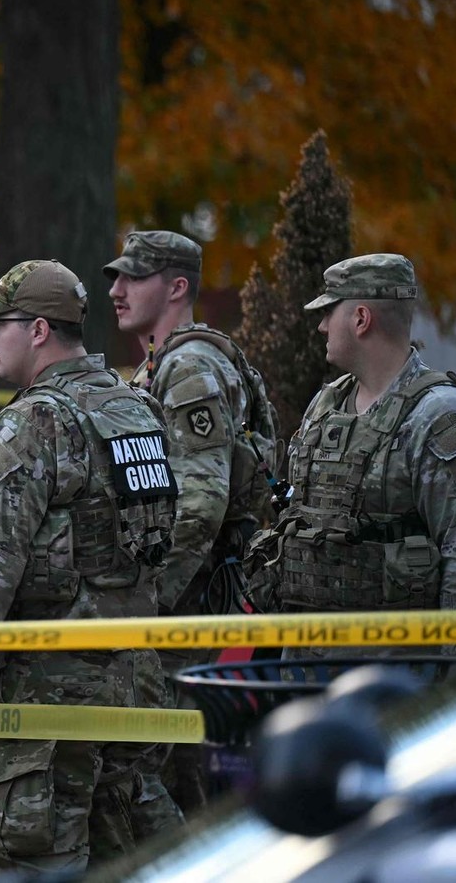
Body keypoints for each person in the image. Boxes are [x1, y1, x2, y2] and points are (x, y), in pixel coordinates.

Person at [0, 259, 177, 877]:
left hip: (44, 699)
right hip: (132, 684)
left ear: (36, 330)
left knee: (31, 866)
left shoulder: (34, 422)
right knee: (128, 861)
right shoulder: (136, 408)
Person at [248, 253, 456, 655]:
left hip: (396, 674)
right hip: (306, 663)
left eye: (328, 312)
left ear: (361, 319)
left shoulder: (439, 416)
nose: (320, 326)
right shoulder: (327, 404)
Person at [106, 230, 278, 818]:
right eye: (116, 277)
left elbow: (201, 506)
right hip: (183, 607)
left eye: (134, 277)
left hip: (183, 611)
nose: (117, 290)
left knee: (166, 782)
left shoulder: (189, 368)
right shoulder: (165, 363)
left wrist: (146, 608)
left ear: (177, 287)